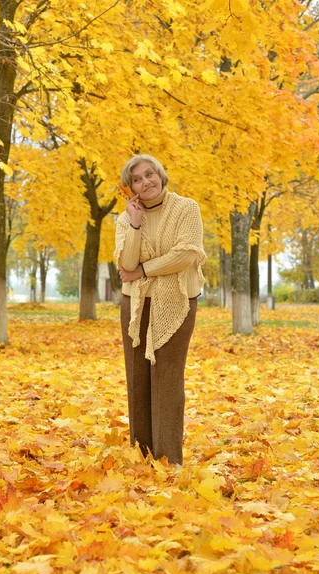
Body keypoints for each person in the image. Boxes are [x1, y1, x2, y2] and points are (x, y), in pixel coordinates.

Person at [114, 154, 206, 465]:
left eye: (149, 174)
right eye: (136, 179)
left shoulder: (186, 208)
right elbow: (125, 264)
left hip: (177, 300)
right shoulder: (126, 219)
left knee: (167, 379)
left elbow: (187, 254)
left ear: (160, 175)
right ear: (131, 188)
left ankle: (170, 462)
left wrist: (144, 271)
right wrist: (136, 225)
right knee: (137, 378)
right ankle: (142, 457)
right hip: (136, 305)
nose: (145, 182)